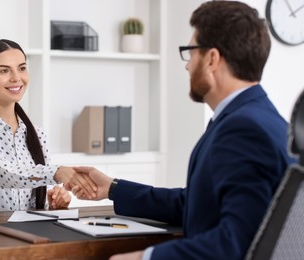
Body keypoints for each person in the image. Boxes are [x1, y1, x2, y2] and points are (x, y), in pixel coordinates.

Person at [71, 1, 297, 259]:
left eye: (191, 52)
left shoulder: (243, 129)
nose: (187, 65)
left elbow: (238, 243)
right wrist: (113, 188)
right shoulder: (256, 117)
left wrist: (146, 257)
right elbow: (196, 204)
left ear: (212, 58)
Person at [0, 39, 96, 212]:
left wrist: (54, 202)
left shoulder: (37, 134)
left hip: (26, 233)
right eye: (4, 70)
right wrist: (55, 172)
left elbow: (34, 193)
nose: (16, 78)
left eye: (22, 68)